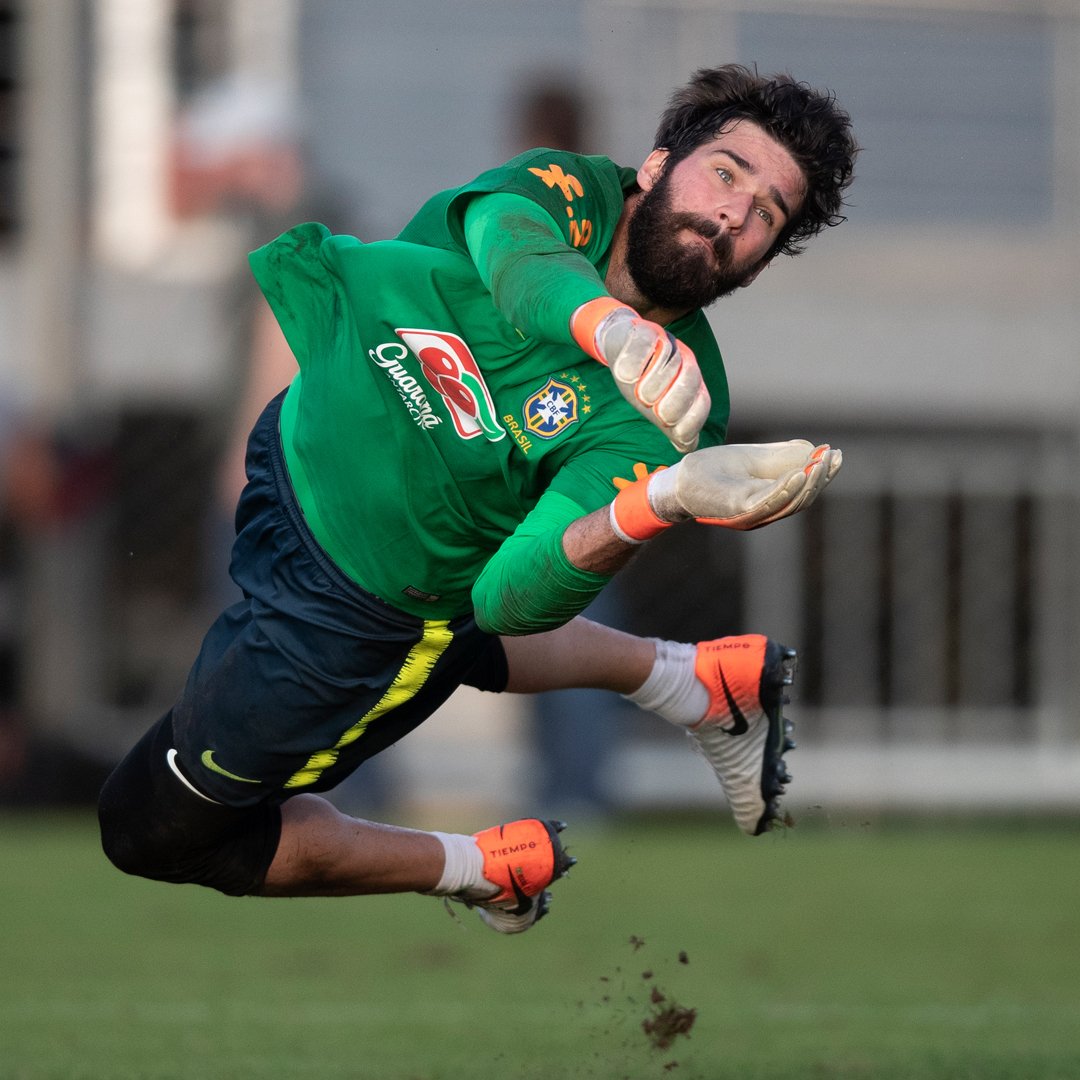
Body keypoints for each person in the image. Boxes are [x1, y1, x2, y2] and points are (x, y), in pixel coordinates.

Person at [99, 64, 857, 934]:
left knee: (150, 827)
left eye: (766, 213)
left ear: (758, 264)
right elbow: (512, 251)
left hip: (347, 612)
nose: (733, 212)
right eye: (726, 172)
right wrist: (611, 331)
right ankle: (697, 683)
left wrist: (664, 498)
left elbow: (512, 599)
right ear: (653, 166)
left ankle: (484, 868)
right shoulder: (570, 189)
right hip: (291, 460)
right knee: (456, 629)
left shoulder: (676, 411)